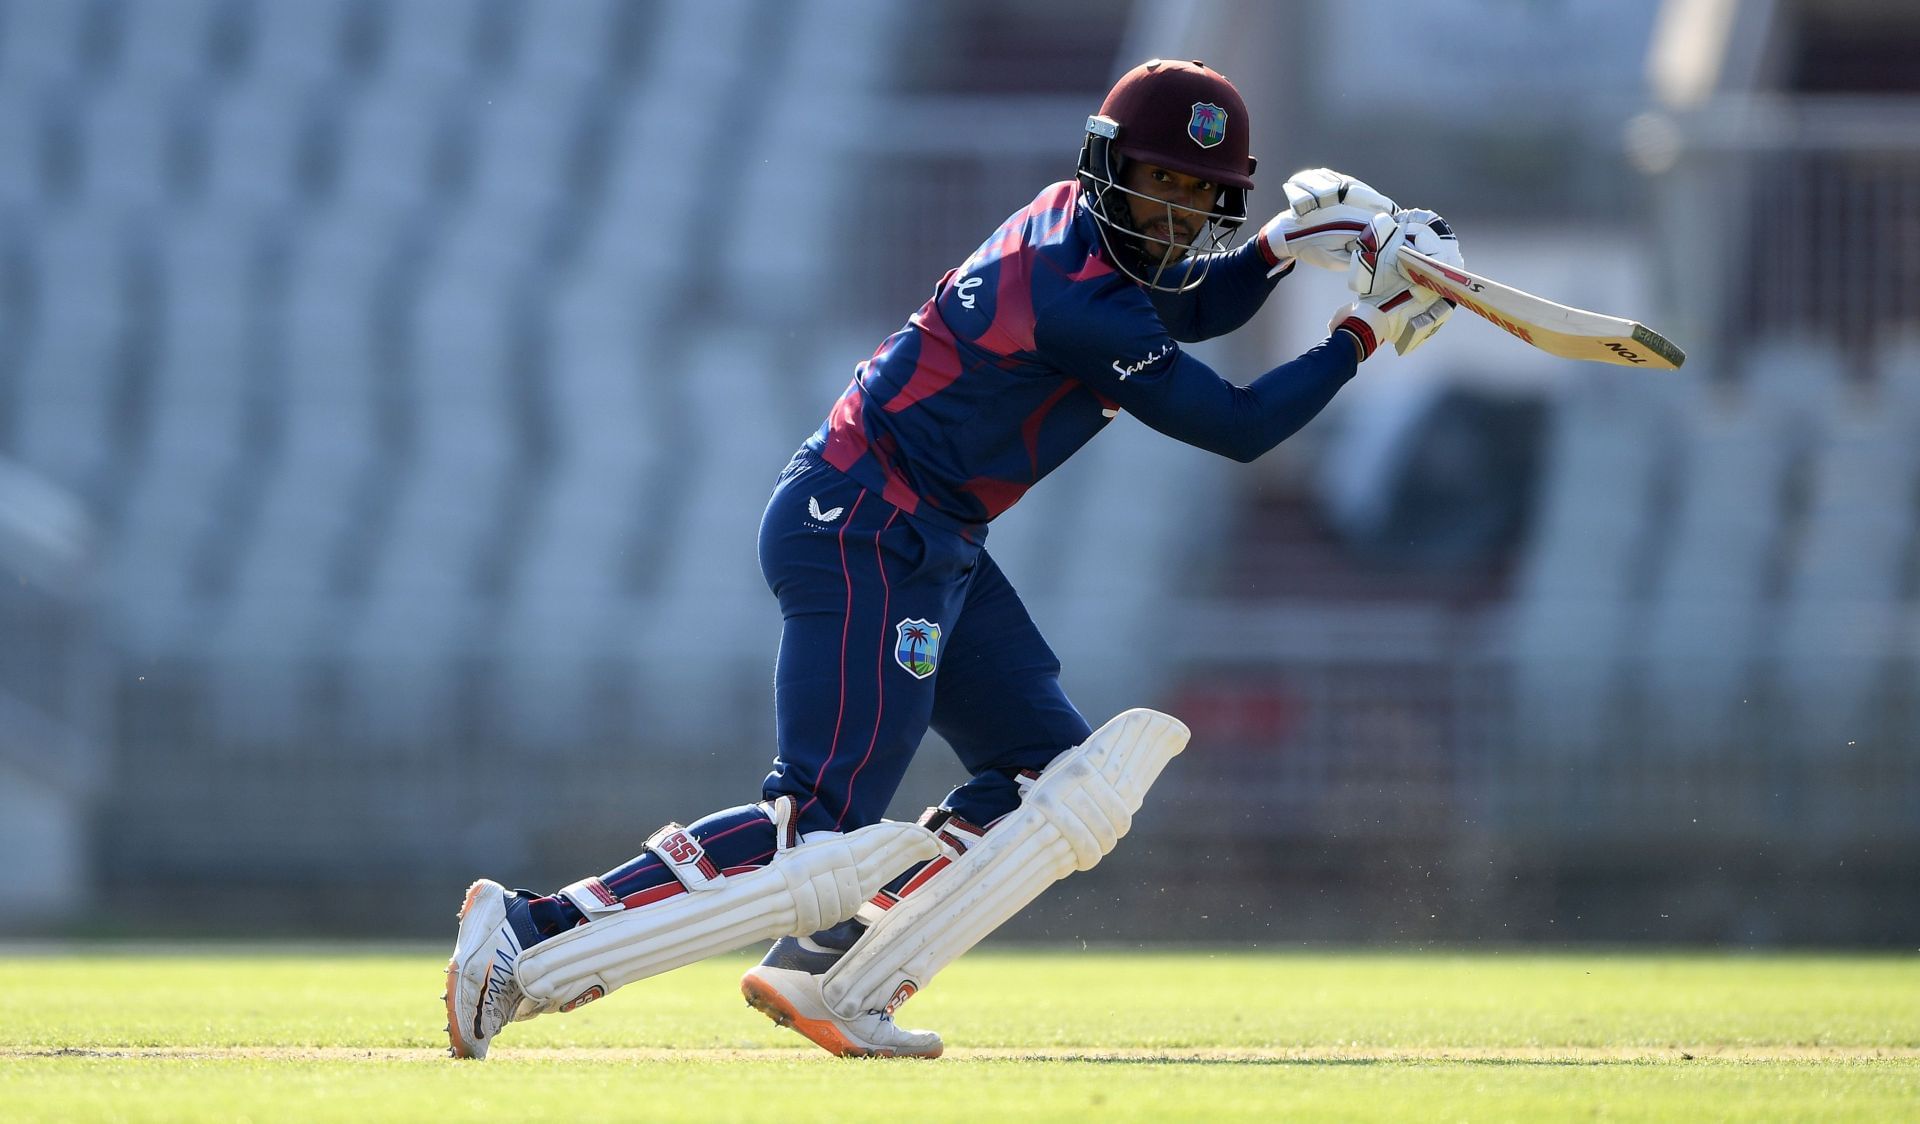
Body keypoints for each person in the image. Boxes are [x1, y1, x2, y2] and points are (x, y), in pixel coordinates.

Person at [444, 58, 1463, 1060]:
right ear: (1111, 169)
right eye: (1161, 185)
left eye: (1202, 197)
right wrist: (1362, 331)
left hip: (928, 534)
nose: (1176, 217)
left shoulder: (1080, 230)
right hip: (865, 525)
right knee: (817, 829)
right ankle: (531, 927)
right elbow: (1237, 424)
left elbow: (1189, 301)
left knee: (1051, 782)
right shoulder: (1079, 298)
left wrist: (1290, 241)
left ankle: (830, 965)